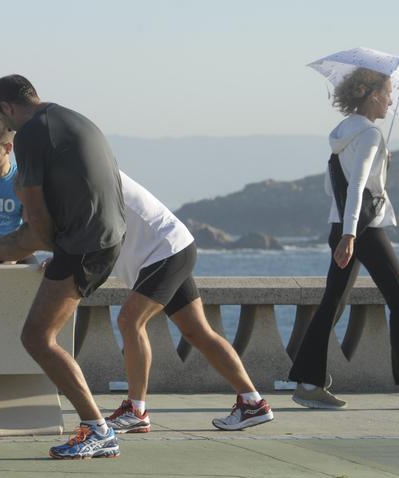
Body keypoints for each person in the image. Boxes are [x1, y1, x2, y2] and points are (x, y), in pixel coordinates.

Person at [0, 74, 126, 459]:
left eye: (4, 119)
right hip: (107, 236)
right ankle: (98, 428)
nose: (8, 127)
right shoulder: (74, 118)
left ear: (7, 108)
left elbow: (37, 232)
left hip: (82, 244)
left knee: (37, 337)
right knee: (44, 334)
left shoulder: (30, 133)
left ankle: (98, 429)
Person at [288, 67, 399, 409]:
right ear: (372, 94)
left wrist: (344, 230)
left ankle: (308, 383)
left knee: (333, 302)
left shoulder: (342, 132)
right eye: (388, 93)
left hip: (341, 225)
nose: (391, 101)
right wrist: (352, 234)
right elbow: (358, 186)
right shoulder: (369, 135)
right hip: (362, 229)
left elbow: (330, 186)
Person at [105, 172, 274, 432]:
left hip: (163, 251)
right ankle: (253, 403)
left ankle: (136, 410)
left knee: (129, 320)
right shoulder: (82, 168)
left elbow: (90, 234)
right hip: (172, 247)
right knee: (197, 331)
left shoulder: (87, 171)